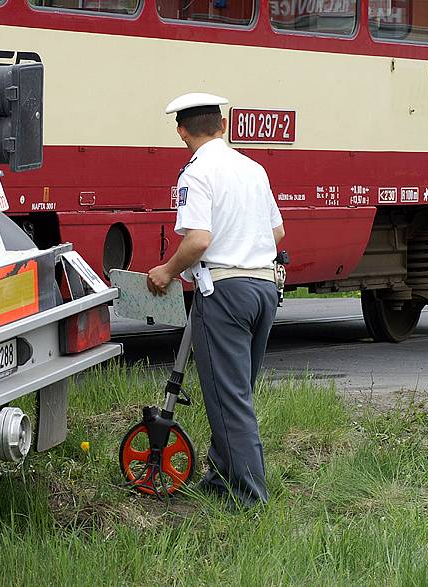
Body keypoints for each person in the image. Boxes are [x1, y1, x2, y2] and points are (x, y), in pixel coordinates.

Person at [146, 92, 285, 508]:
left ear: (181, 132)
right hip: (264, 290)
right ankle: (221, 476)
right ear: (223, 126)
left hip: (225, 293)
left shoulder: (196, 172)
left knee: (229, 399)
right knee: (237, 392)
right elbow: (277, 234)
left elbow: (199, 240)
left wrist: (166, 272)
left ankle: (247, 499)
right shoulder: (253, 168)